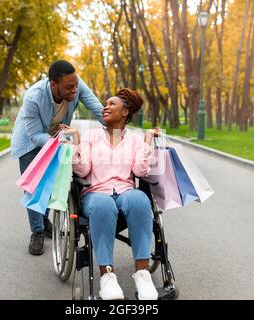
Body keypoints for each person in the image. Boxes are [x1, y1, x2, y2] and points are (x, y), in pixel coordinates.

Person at [63, 88, 160, 300]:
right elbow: (83, 170)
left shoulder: (134, 140)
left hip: (125, 191)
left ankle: (142, 274)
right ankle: (107, 276)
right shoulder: (92, 136)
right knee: (103, 204)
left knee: (140, 200)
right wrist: (76, 142)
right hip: (95, 193)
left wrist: (147, 141)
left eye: (112, 104)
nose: (105, 107)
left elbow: (140, 172)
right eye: (105, 104)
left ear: (125, 112)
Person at [11, 60, 104, 256]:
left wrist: (114, 123)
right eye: (69, 87)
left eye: (76, 85)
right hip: (30, 142)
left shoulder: (75, 85)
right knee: (35, 187)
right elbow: (35, 134)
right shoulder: (33, 97)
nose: (74, 90)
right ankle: (36, 232)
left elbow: (96, 106)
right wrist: (58, 143)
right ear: (53, 85)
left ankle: (44, 221)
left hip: (57, 139)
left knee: (53, 183)